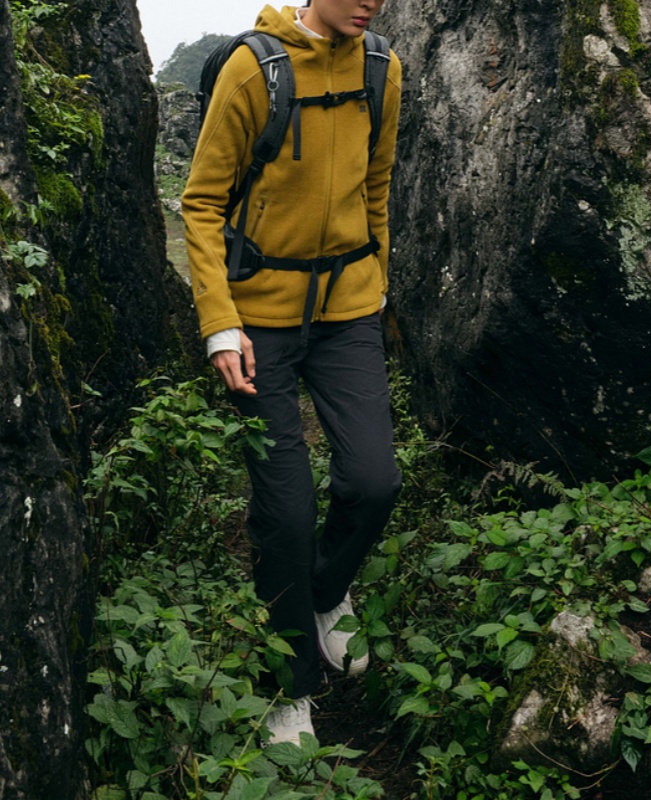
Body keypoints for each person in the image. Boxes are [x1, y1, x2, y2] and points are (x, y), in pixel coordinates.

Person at [181, 0, 402, 745]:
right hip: (258, 320)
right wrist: (219, 321)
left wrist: (377, 283)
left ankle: (325, 591)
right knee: (286, 509)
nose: (373, 2)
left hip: (348, 308)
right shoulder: (255, 69)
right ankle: (289, 682)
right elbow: (201, 203)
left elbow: (377, 186)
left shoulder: (382, 69)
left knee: (374, 480)